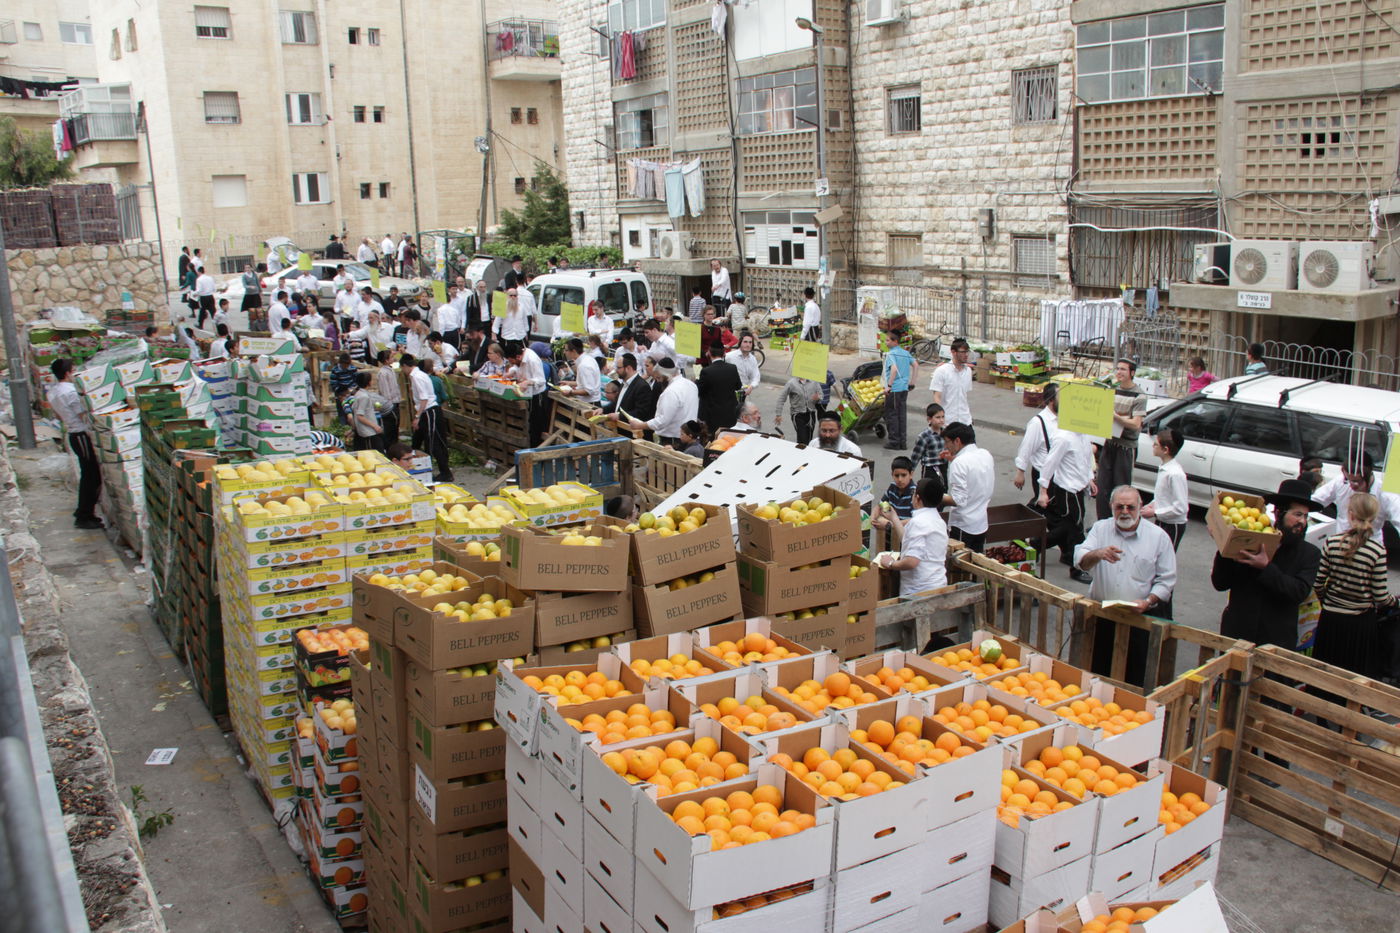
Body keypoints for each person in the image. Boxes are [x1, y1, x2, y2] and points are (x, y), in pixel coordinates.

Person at [1076, 486, 1178, 684]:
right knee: (1098, 672)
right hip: (1102, 616)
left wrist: (1148, 601)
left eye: (1130, 507)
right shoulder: (1100, 529)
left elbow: (1166, 580)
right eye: (1119, 507)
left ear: (1140, 507)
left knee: (1135, 677)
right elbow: (1080, 559)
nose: (1124, 512)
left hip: (1138, 621)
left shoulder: (1158, 537)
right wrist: (1098, 553)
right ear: (1111, 507)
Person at [1213, 478, 1322, 649]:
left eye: (1306, 516)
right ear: (1279, 513)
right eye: (1298, 514)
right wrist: (1224, 546)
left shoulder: (1310, 554)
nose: (1303, 522)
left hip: (1276, 643)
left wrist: (1266, 567)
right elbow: (1220, 583)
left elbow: (1298, 592)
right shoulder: (1250, 540)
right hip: (1237, 636)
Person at [1313, 493, 1394, 679]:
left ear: (1350, 515)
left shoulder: (1331, 543)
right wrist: (1394, 602)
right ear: (1373, 517)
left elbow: (1318, 583)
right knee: (1351, 678)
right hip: (1359, 624)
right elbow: (1381, 597)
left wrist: (1328, 601)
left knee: (1326, 674)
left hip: (1330, 620)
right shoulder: (1377, 551)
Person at [1037, 391, 1096, 581]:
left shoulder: (1082, 436)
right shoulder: (1064, 437)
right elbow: (1049, 465)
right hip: (1067, 490)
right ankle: (1076, 567)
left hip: (1078, 488)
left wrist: (1089, 480)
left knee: (1069, 527)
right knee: (1075, 528)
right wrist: (1043, 491)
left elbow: (1086, 460)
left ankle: (1038, 544)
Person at [47, 360, 103, 529]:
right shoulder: (70, 392)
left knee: (89, 474)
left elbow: (57, 415)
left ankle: (84, 512)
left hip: (73, 434)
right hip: (81, 434)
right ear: (67, 373)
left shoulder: (54, 391)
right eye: (73, 370)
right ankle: (85, 515)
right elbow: (82, 414)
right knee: (91, 475)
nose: (75, 373)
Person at [876, 475, 950, 597]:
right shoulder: (938, 520)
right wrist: (894, 518)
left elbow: (911, 561)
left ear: (917, 498)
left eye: (914, 493)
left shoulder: (918, 523)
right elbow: (909, 541)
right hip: (938, 585)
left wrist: (890, 563)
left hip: (918, 591)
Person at [1095, 359, 1147, 520]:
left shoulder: (1139, 395)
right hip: (1110, 442)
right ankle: (1102, 522)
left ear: (1132, 373)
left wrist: (1116, 417)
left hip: (1126, 446)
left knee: (1121, 488)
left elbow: (1136, 424)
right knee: (1103, 486)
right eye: (1117, 369)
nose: (1119, 372)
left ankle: (1119, 521)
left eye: (1123, 369)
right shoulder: (1112, 390)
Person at [1312, 452, 1400, 546]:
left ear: (1369, 475)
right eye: (1347, 479)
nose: (1351, 485)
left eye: (1356, 481)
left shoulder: (1385, 494)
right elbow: (1316, 500)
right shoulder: (1340, 482)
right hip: (1340, 543)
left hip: (1370, 548)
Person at [941, 422, 994, 551]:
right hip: (981, 524)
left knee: (959, 568)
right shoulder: (985, 454)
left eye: (947, 442)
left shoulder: (959, 463)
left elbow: (959, 500)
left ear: (957, 441)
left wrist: (936, 496)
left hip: (963, 525)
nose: (946, 446)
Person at [625, 357, 697, 447]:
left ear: (665, 374)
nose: (658, 381)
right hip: (689, 438)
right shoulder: (692, 385)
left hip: (672, 441)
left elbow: (663, 420)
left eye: (659, 378)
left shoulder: (671, 391)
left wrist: (641, 425)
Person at [1140, 427, 1187, 550]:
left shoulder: (1175, 474)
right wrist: (1153, 504)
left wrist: (1155, 512)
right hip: (1163, 520)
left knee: (1166, 558)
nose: (1152, 446)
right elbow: (1164, 496)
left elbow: (1181, 508)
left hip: (1173, 525)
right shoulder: (1165, 468)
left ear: (1165, 450)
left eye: (1155, 444)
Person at [1014, 384, 1058, 508]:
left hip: (1060, 475)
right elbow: (1026, 447)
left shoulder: (1064, 419)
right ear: (1051, 400)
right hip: (1043, 473)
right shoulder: (1038, 422)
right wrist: (1020, 472)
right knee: (1044, 507)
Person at [507, 341, 549, 447]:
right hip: (526, 393)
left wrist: (528, 382)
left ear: (518, 356)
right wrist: (512, 371)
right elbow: (517, 366)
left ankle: (534, 449)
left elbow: (541, 380)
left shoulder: (532, 360)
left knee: (535, 425)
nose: (513, 364)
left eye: (513, 361)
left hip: (537, 395)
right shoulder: (519, 358)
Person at [696, 341, 741, 433]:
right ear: (724, 353)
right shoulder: (732, 368)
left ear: (709, 353)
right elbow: (738, 386)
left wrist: (697, 381)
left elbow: (700, 392)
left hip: (713, 414)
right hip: (730, 412)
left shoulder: (706, 371)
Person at [882, 332, 917, 450]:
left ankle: (894, 442)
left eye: (888, 340)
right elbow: (916, 365)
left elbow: (894, 369)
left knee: (892, 415)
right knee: (901, 415)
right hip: (904, 389)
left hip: (895, 389)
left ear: (895, 341)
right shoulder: (905, 353)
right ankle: (903, 442)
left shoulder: (891, 354)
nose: (886, 343)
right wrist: (912, 382)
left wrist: (889, 385)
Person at [597, 352, 655, 422]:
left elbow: (641, 412)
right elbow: (617, 404)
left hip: (628, 430)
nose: (616, 370)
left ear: (628, 368)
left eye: (619, 367)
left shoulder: (642, 386)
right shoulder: (624, 382)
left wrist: (619, 416)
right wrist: (603, 409)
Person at [928, 337, 973, 427]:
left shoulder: (968, 371)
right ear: (953, 352)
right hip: (948, 422)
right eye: (963, 352)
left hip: (965, 420)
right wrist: (940, 420)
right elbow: (937, 396)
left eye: (967, 352)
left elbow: (964, 395)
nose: (966, 355)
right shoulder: (942, 371)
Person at [775, 374, 823, 445]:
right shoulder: (791, 383)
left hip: (810, 414)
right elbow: (782, 398)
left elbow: (821, 395)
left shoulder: (814, 382)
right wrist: (778, 414)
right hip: (797, 415)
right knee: (803, 439)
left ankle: (803, 453)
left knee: (808, 440)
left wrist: (818, 398)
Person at [874, 456, 917, 529]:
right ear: (892, 475)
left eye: (903, 475)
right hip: (892, 530)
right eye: (897, 476)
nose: (900, 479)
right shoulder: (892, 487)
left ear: (911, 475)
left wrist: (892, 525)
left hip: (906, 533)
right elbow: (880, 504)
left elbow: (915, 520)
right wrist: (874, 518)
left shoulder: (914, 493)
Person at [912, 403, 947, 484]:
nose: (941, 420)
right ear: (929, 419)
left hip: (943, 466)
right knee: (929, 490)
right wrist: (911, 470)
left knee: (943, 489)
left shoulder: (946, 433)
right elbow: (916, 455)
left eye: (943, 417)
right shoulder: (924, 436)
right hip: (930, 468)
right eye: (938, 417)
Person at [349, 371, 385, 450]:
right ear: (369, 382)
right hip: (368, 432)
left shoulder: (358, 393)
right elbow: (360, 416)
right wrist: (375, 426)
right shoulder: (364, 397)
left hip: (363, 431)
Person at [560, 338, 601, 403]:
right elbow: (586, 383)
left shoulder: (584, 365)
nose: (564, 352)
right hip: (590, 402)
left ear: (573, 351)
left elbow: (589, 390)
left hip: (590, 404)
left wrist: (570, 392)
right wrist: (570, 383)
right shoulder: (587, 359)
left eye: (566, 350)